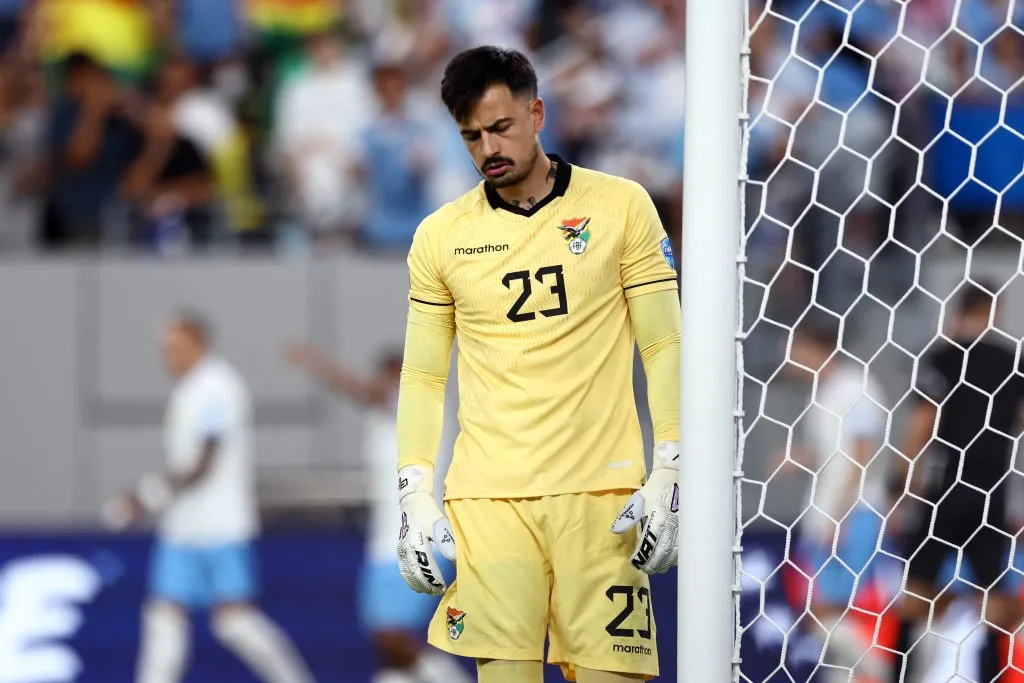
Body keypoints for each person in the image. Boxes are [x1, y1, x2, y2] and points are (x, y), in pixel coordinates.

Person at [394, 46, 681, 683]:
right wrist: (414, 490)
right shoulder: (440, 237)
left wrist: (672, 467)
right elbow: (422, 376)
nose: (488, 147)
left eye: (501, 127)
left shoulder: (622, 206)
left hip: (603, 496)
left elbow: (664, 345)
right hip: (489, 499)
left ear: (537, 113)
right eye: (471, 136)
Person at [102, 311, 314, 683]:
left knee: (234, 621)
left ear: (199, 344)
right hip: (182, 527)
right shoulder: (189, 388)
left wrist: (145, 497)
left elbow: (204, 461)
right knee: (163, 620)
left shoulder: (218, 385)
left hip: (220, 525)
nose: (169, 356)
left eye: (176, 347)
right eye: (166, 349)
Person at [285, 343, 471, 683]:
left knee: (393, 635)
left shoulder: (422, 403)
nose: (387, 383)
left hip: (421, 542)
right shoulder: (386, 413)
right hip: (384, 546)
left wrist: (318, 363)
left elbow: (364, 392)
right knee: (384, 647)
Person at [888, 281, 1024, 683]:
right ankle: (995, 674)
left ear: (959, 310)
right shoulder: (1010, 361)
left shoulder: (944, 358)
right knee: (996, 601)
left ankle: (901, 673)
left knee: (915, 594)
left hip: (944, 492)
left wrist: (900, 486)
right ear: (995, 312)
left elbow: (922, 424)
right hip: (990, 495)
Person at [782, 317, 889, 681]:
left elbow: (863, 452)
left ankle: (877, 669)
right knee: (827, 608)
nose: (790, 357)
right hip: (827, 513)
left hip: (851, 515)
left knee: (822, 607)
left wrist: (840, 515)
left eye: (795, 348)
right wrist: (800, 458)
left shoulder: (854, 386)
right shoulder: (825, 392)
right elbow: (835, 450)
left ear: (814, 347)